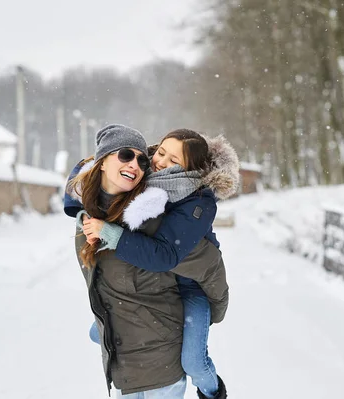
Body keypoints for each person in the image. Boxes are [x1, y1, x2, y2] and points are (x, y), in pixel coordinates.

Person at [64, 125, 235, 398]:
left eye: (174, 160)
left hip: (192, 286)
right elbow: (102, 171)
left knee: (193, 361)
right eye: (161, 152)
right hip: (163, 283)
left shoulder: (197, 199)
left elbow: (165, 255)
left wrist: (111, 232)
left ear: (189, 169)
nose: (161, 162)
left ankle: (213, 391)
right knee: (99, 334)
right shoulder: (146, 174)